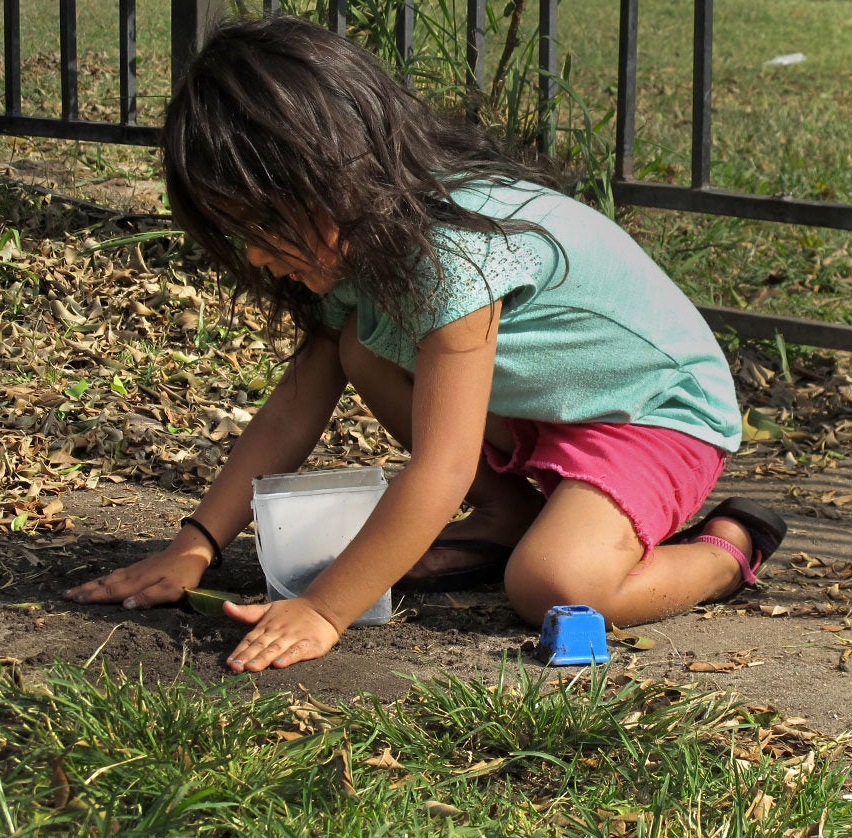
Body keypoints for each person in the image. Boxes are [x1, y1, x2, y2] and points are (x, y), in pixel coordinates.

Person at [63, 14, 787, 672]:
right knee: (359, 349)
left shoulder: (452, 254)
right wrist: (196, 544)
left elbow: (439, 471)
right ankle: (508, 515)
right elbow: (293, 408)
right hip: (547, 405)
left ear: (332, 175)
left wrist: (324, 608)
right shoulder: (359, 235)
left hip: (653, 415)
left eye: (263, 225)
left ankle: (727, 549)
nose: (253, 256)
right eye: (236, 233)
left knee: (552, 585)